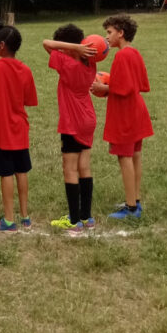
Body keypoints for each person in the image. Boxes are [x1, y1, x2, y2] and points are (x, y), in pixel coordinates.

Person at [91, 14, 153, 220]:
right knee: (135, 155)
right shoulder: (134, 53)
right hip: (137, 110)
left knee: (124, 157)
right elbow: (140, 84)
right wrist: (111, 84)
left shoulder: (122, 56)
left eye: (109, 32)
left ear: (121, 32)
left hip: (125, 114)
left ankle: (131, 208)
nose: (106, 37)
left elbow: (123, 88)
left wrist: (103, 87)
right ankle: (135, 199)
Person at [0, 22, 38, 232]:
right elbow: (28, 100)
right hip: (20, 129)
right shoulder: (26, 69)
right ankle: (25, 216)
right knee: (21, 171)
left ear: (1, 45)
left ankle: (9, 220)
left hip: (0, 131)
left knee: (6, 174)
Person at [42, 25, 99, 235]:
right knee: (84, 166)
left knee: (70, 169)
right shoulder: (90, 63)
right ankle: (87, 217)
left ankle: (74, 221)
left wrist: (73, 48)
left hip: (73, 121)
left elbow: (46, 44)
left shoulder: (67, 62)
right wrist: (80, 48)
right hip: (88, 118)